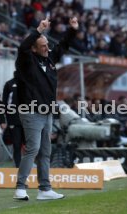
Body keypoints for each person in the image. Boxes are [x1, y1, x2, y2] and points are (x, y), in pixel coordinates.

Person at [13, 16, 79, 200]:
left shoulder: (48, 60)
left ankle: (44, 189)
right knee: (33, 148)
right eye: (43, 45)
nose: (47, 48)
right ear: (34, 48)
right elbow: (22, 47)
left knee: (45, 151)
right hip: (31, 111)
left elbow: (63, 46)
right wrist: (38, 30)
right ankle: (20, 187)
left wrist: (72, 30)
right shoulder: (26, 62)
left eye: (47, 45)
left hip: (47, 112)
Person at [0, 72, 25, 167]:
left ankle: (29, 165)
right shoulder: (9, 84)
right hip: (14, 120)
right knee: (17, 144)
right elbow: (1, 104)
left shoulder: (30, 84)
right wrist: (2, 120)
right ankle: (18, 167)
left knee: (32, 145)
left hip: (29, 120)